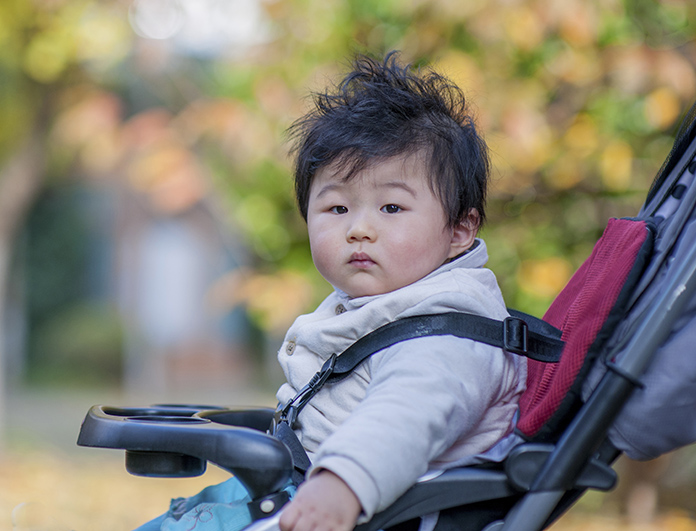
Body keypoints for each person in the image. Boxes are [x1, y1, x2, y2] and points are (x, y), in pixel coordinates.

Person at [135, 53, 526, 531]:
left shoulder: (443, 338)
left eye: (391, 206)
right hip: (290, 489)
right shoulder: (387, 309)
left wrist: (340, 484)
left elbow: (404, 417)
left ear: (459, 230)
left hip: (340, 508)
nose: (360, 228)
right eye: (337, 208)